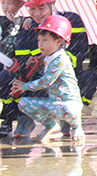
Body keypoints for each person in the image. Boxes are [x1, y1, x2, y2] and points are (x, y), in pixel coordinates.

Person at [3, 0, 93, 141]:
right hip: (37, 81)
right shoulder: (27, 28)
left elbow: (76, 58)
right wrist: (20, 69)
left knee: (89, 78)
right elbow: (24, 65)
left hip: (65, 83)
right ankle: (21, 119)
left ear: (53, 4)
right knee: (6, 79)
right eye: (32, 9)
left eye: (41, 7)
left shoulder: (72, 22)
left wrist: (43, 60)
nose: (36, 13)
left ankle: (71, 122)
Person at [13, 15, 84, 144]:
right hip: (54, 103)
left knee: (68, 110)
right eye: (39, 40)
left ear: (58, 42)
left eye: (45, 40)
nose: (40, 44)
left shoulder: (60, 59)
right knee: (23, 103)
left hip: (68, 105)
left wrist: (24, 86)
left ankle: (77, 126)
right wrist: (35, 65)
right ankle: (51, 126)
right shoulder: (49, 58)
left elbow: (45, 82)